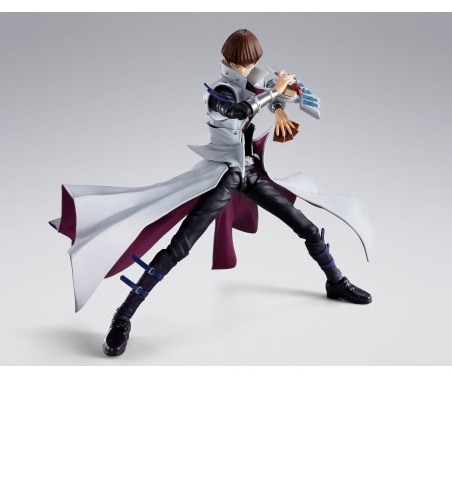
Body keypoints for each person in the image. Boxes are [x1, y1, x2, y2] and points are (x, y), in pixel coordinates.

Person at [99, 28, 373, 357]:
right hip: (223, 176)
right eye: (244, 63)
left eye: (252, 62)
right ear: (230, 61)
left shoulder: (247, 81)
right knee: (178, 248)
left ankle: (335, 281)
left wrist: (282, 102)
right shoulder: (219, 91)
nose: (249, 68)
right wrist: (274, 94)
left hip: (250, 172)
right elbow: (239, 111)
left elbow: (271, 92)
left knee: (308, 228)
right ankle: (122, 316)